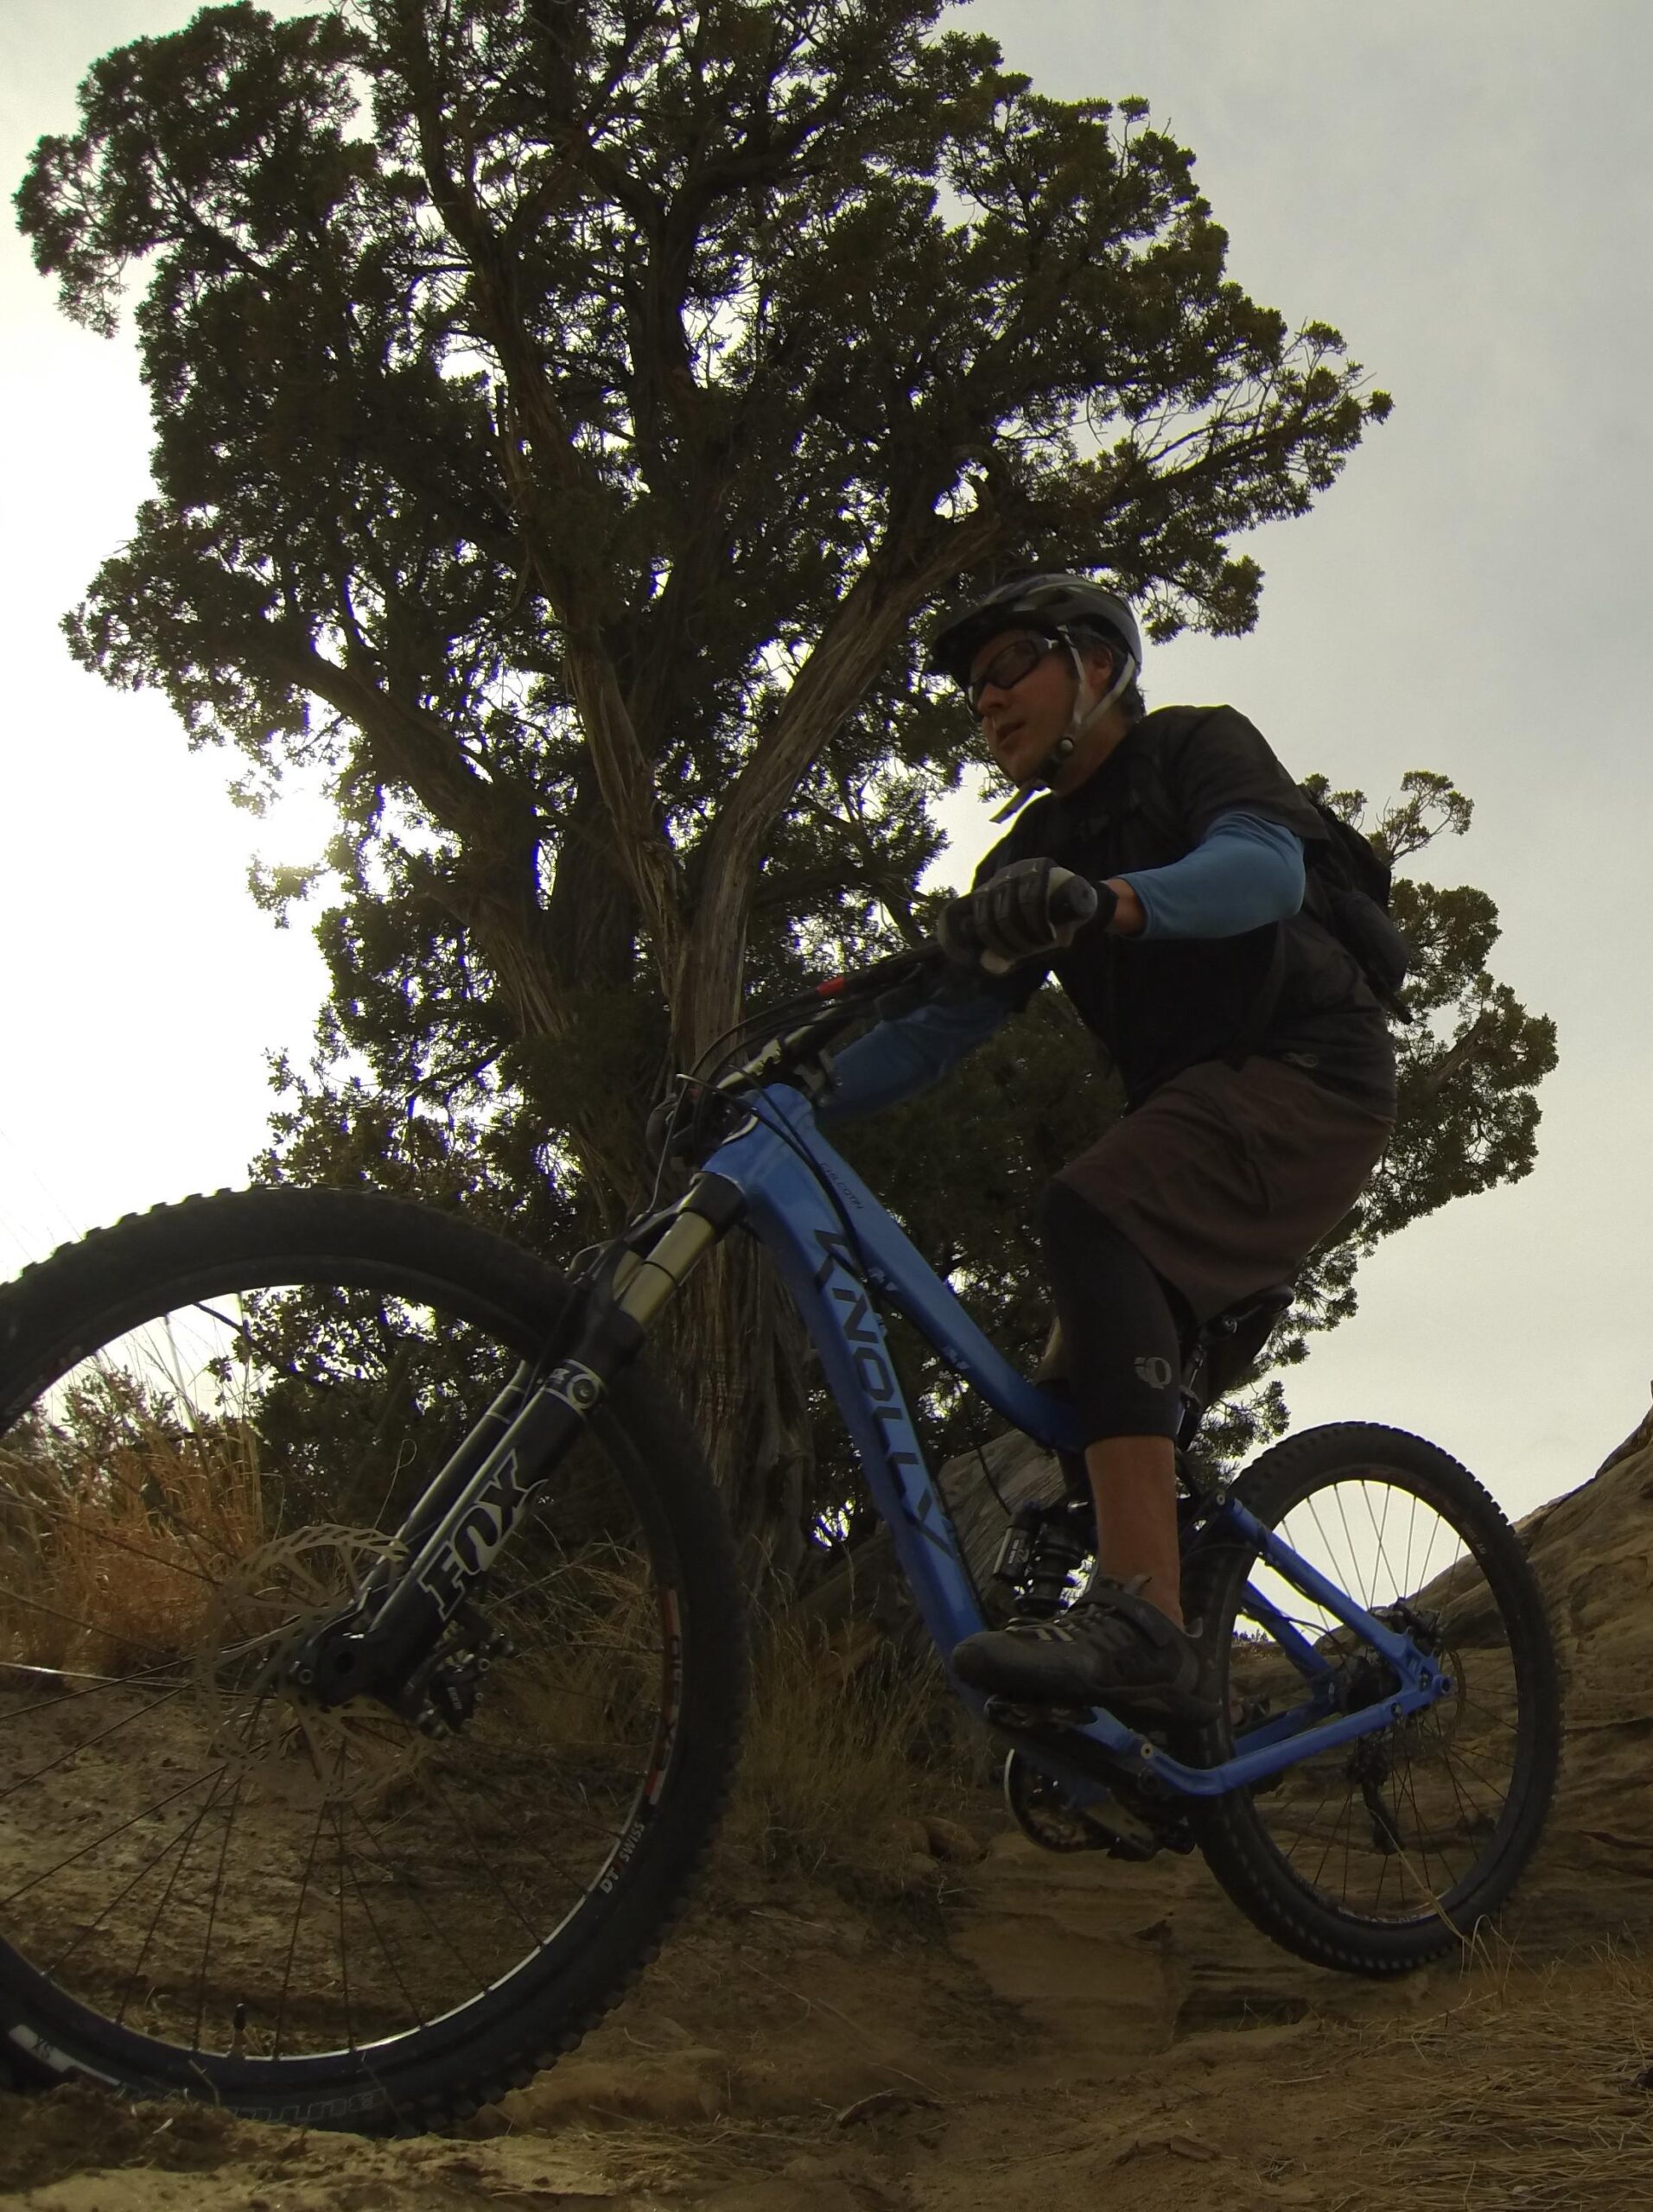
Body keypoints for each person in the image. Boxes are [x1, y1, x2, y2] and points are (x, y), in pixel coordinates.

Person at [817, 574, 1396, 1723]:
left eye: (1006, 669)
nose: (983, 704)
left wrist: (1104, 900)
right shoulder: (1031, 849)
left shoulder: (1194, 749)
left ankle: (1142, 1617)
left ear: (1095, 663)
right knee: (1071, 1404)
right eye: (969, 691)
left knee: (1095, 1210)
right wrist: (792, 1096)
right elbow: (938, 1029)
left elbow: (1260, 871)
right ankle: (1164, 1725)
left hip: (1309, 1070)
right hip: (1196, 1107)